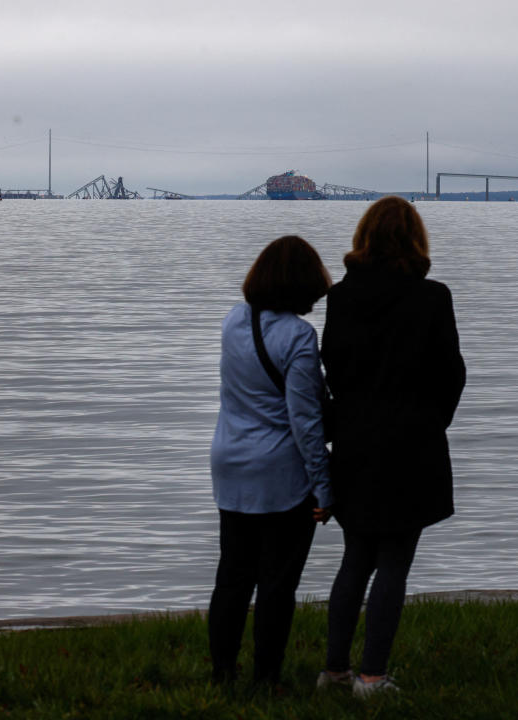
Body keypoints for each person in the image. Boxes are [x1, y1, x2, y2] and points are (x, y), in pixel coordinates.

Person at [317, 196, 465, 697]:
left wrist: (352, 416)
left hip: (355, 441)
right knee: (395, 560)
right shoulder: (432, 297)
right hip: (412, 443)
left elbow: (331, 367)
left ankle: (334, 671)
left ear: (364, 236)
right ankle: (373, 677)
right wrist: (430, 423)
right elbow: (451, 375)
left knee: (355, 556)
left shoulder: (340, 298)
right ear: (415, 240)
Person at [208, 235, 334, 685]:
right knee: (277, 584)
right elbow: (304, 420)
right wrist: (323, 486)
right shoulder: (299, 336)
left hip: (230, 463)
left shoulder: (232, 321)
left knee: (232, 578)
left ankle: (222, 673)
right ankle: (267, 679)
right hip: (280, 474)